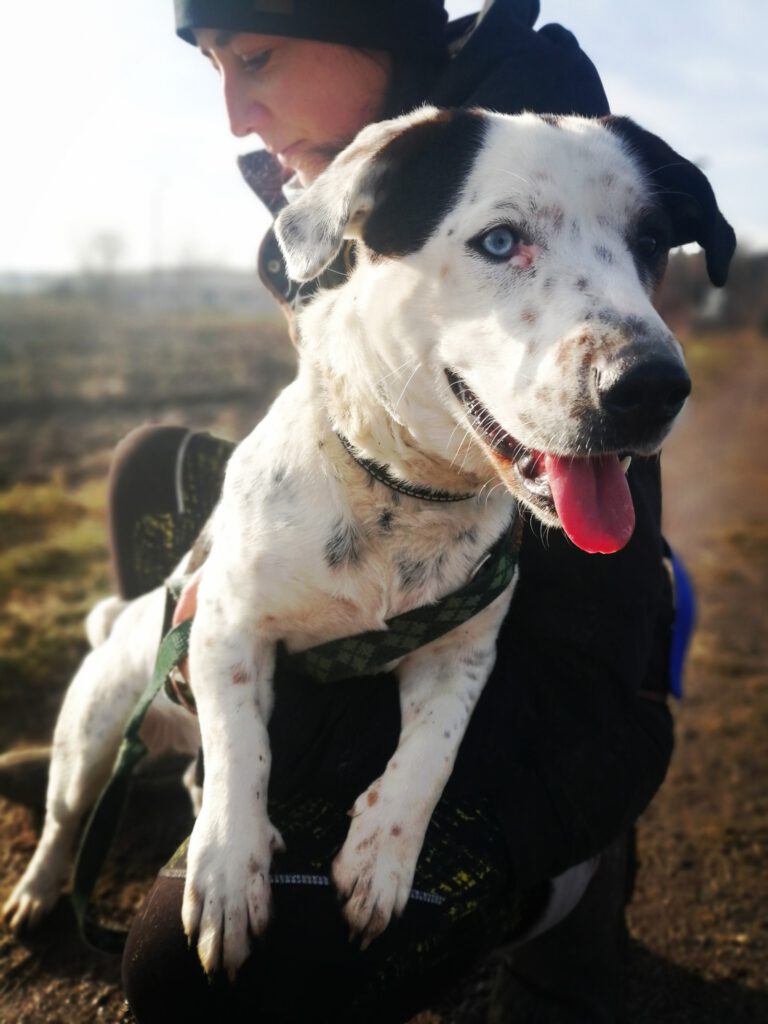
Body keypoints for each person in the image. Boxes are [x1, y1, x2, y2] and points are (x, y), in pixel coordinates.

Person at [113, 1, 678, 1021]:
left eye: (259, 57)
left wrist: (432, 794)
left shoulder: (552, 178)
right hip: (378, 568)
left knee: (203, 981)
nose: (239, 114)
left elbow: (582, 620)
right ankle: (173, 750)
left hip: (549, 652)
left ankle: (573, 890)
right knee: (153, 466)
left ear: (367, 26)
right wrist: (239, 588)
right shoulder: (335, 197)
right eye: (217, 72)